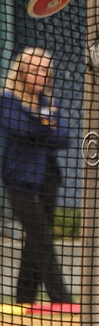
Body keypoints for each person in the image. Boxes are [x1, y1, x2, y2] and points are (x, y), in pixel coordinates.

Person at [0, 46, 73, 305]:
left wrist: (42, 124)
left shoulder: (48, 103)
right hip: (19, 181)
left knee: (35, 239)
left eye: (44, 70)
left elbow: (64, 136)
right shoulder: (7, 100)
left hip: (48, 179)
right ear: (21, 72)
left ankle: (24, 297)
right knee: (41, 238)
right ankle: (62, 300)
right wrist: (44, 124)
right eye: (34, 70)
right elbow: (22, 129)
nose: (40, 75)